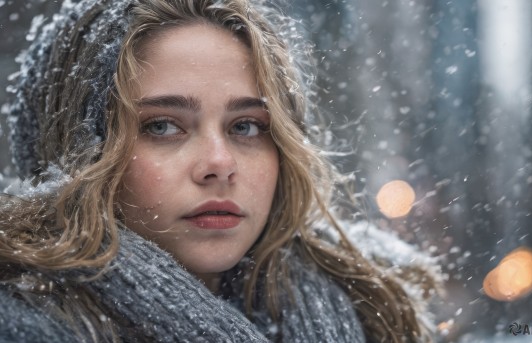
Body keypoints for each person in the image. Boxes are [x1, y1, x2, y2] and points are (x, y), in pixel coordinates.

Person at [0, 0, 440, 342]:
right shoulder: (23, 326)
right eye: (162, 126)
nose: (220, 164)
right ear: (73, 153)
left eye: (245, 126)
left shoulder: (370, 310)